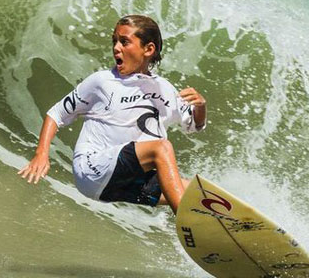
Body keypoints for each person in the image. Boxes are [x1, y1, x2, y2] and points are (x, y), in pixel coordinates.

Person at [18, 15, 207, 212]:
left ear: (149, 49)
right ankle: (185, 223)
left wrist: (201, 106)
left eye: (124, 42)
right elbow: (57, 113)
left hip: (123, 182)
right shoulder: (103, 81)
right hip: (92, 169)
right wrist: (41, 154)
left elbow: (194, 125)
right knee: (162, 148)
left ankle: (214, 235)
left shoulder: (165, 89)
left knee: (198, 194)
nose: (116, 47)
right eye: (115, 41)